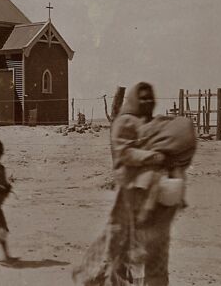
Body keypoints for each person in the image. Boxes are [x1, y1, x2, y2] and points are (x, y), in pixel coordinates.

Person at [72, 82, 196, 286]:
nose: (147, 101)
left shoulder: (156, 124)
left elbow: (178, 145)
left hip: (157, 198)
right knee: (119, 245)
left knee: (157, 250)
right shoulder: (124, 122)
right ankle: (103, 279)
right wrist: (152, 156)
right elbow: (124, 152)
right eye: (143, 97)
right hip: (130, 197)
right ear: (134, 100)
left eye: (150, 97)